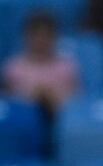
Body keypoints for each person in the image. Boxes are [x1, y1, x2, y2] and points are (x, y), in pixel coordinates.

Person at [2, 10, 80, 157]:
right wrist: (33, 97)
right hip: (22, 132)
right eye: (36, 36)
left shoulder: (67, 67)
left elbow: (76, 106)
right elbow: (7, 107)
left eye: (46, 36)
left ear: (54, 38)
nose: (41, 41)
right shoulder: (13, 67)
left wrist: (52, 97)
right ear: (27, 37)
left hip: (57, 125)